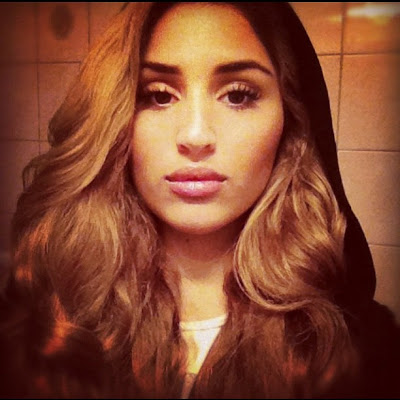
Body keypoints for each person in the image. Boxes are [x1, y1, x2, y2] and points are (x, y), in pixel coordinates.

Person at [0, 2, 399, 398]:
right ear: (115, 120)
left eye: (238, 95)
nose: (195, 136)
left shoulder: (365, 352)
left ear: (289, 122)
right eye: (158, 96)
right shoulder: (41, 319)